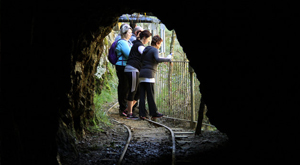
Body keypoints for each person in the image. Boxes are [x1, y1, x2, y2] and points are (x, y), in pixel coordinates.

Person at [139, 35, 172, 119]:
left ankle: (142, 114)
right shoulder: (155, 50)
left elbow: (143, 60)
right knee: (150, 95)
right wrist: (168, 59)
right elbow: (157, 59)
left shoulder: (146, 49)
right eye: (160, 44)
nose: (160, 46)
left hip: (142, 74)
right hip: (149, 75)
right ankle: (154, 113)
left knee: (142, 96)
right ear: (157, 43)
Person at [124, 30, 152, 119]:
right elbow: (145, 54)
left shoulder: (138, 44)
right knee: (133, 90)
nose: (148, 41)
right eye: (148, 39)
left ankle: (127, 109)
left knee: (139, 92)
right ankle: (130, 113)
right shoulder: (139, 45)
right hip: (132, 69)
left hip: (135, 70)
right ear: (144, 38)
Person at [115, 24, 133, 116]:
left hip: (125, 66)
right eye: (129, 32)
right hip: (122, 67)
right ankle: (123, 108)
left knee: (126, 87)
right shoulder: (122, 42)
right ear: (124, 33)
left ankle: (124, 107)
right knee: (124, 87)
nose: (131, 34)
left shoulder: (128, 42)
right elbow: (129, 54)